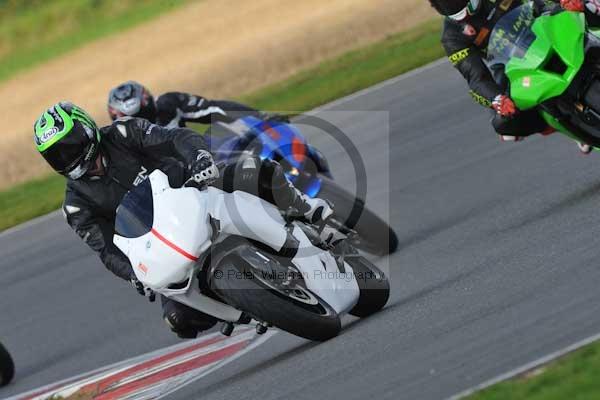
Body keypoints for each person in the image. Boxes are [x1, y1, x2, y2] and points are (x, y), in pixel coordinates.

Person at [34, 102, 333, 339]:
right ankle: (249, 306)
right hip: (166, 243)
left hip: (196, 188)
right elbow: (107, 251)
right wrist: (134, 275)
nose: (66, 157)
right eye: (55, 155)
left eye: (69, 145)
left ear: (86, 130)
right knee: (178, 320)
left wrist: (199, 160)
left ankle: (309, 211)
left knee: (256, 170)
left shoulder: (123, 133)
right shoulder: (76, 206)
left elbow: (177, 138)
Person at [429, 0, 600, 153]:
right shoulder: (451, 37)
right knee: (505, 125)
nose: (466, 15)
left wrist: (565, 3)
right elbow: (475, 77)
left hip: (544, 23)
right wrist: (497, 100)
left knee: (592, 7)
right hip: (512, 65)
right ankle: (563, 126)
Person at [107, 80, 285, 128]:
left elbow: (213, 109)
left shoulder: (168, 104)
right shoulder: (119, 144)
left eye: (142, 115)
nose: (142, 123)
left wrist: (259, 118)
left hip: (205, 171)